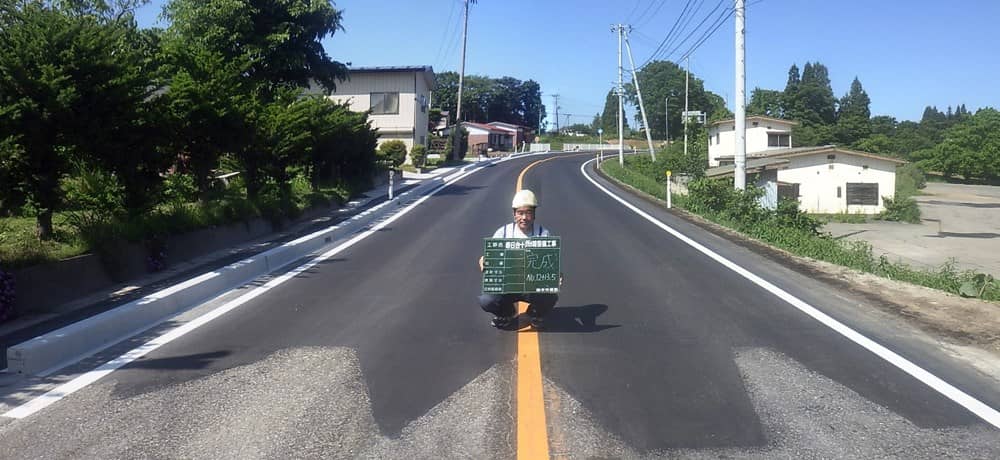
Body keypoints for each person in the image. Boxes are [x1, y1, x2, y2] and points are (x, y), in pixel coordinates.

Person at [478, 189, 559, 329]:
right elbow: (490, 256)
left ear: (534, 215)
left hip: (531, 286)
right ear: (514, 214)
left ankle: (535, 313)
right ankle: (507, 312)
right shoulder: (502, 233)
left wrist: (556, 275)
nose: (524, 217)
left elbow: (550, 263)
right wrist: (484, 261)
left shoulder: (543, 234)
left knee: (551, 294)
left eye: (528, 213)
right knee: (487, 300)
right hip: (507, 286)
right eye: (520, 213)